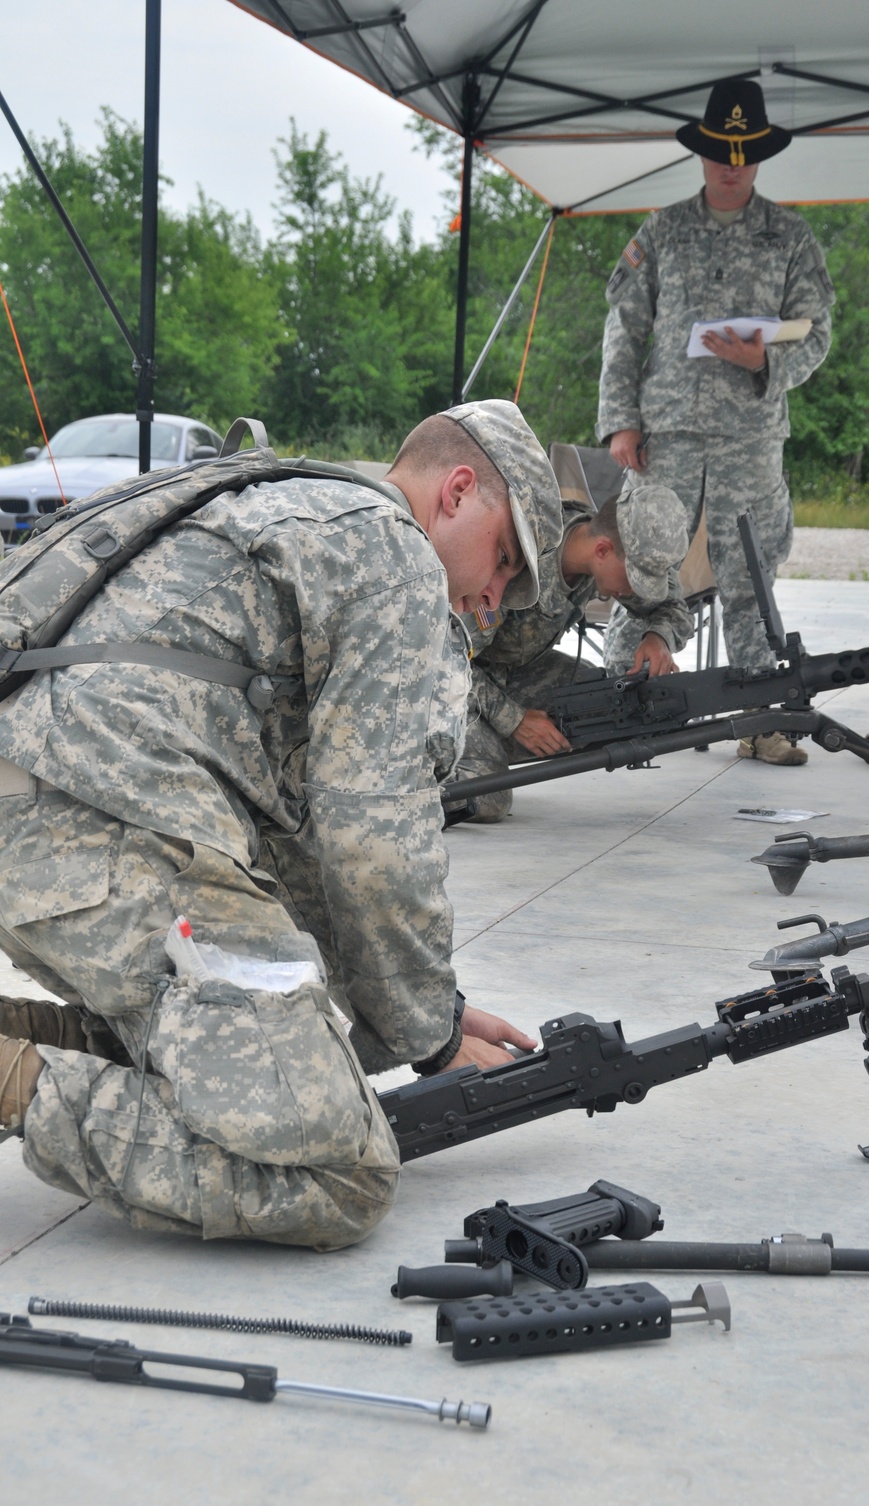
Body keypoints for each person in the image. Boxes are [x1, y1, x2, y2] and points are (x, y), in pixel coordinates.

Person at [0, 398, 563, 1251]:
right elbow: (373, 839)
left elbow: (302, 849)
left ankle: (34, 1050)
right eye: (505, 561)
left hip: (55, 820)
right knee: (342, 1169)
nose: (494, 599)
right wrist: (431, 1035)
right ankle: (10, 1079)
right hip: (95, 825)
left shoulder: (294, 501)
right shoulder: (394, 555)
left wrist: (422, 1012)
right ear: (457, 491)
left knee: (273, 1060)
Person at [598, 77, 835, 766]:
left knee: (749, 576)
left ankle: (763, 716)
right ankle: (623, 706)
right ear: (703, 154)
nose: (732, 164)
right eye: (721, 152)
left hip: (749, 437)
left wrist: (769, 361)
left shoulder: (789, 237)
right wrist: (620, 419)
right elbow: (624, 329)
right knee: (646, 566)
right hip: (666, 433)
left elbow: (816, 334)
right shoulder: (663, 231)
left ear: (759, 156)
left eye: (746, 152)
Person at [453, 484, 693, 822]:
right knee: (486, 800)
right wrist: (514, 720)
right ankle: (434, 759)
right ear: (602, 550)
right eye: (635, 577)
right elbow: (444, 659)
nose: (637, 591)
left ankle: (483, 748)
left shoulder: (600, 553)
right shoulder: (520, 556)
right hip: (452, 688)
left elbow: (673, 609)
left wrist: (658, 637)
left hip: (513, 673)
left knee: (614, 707)